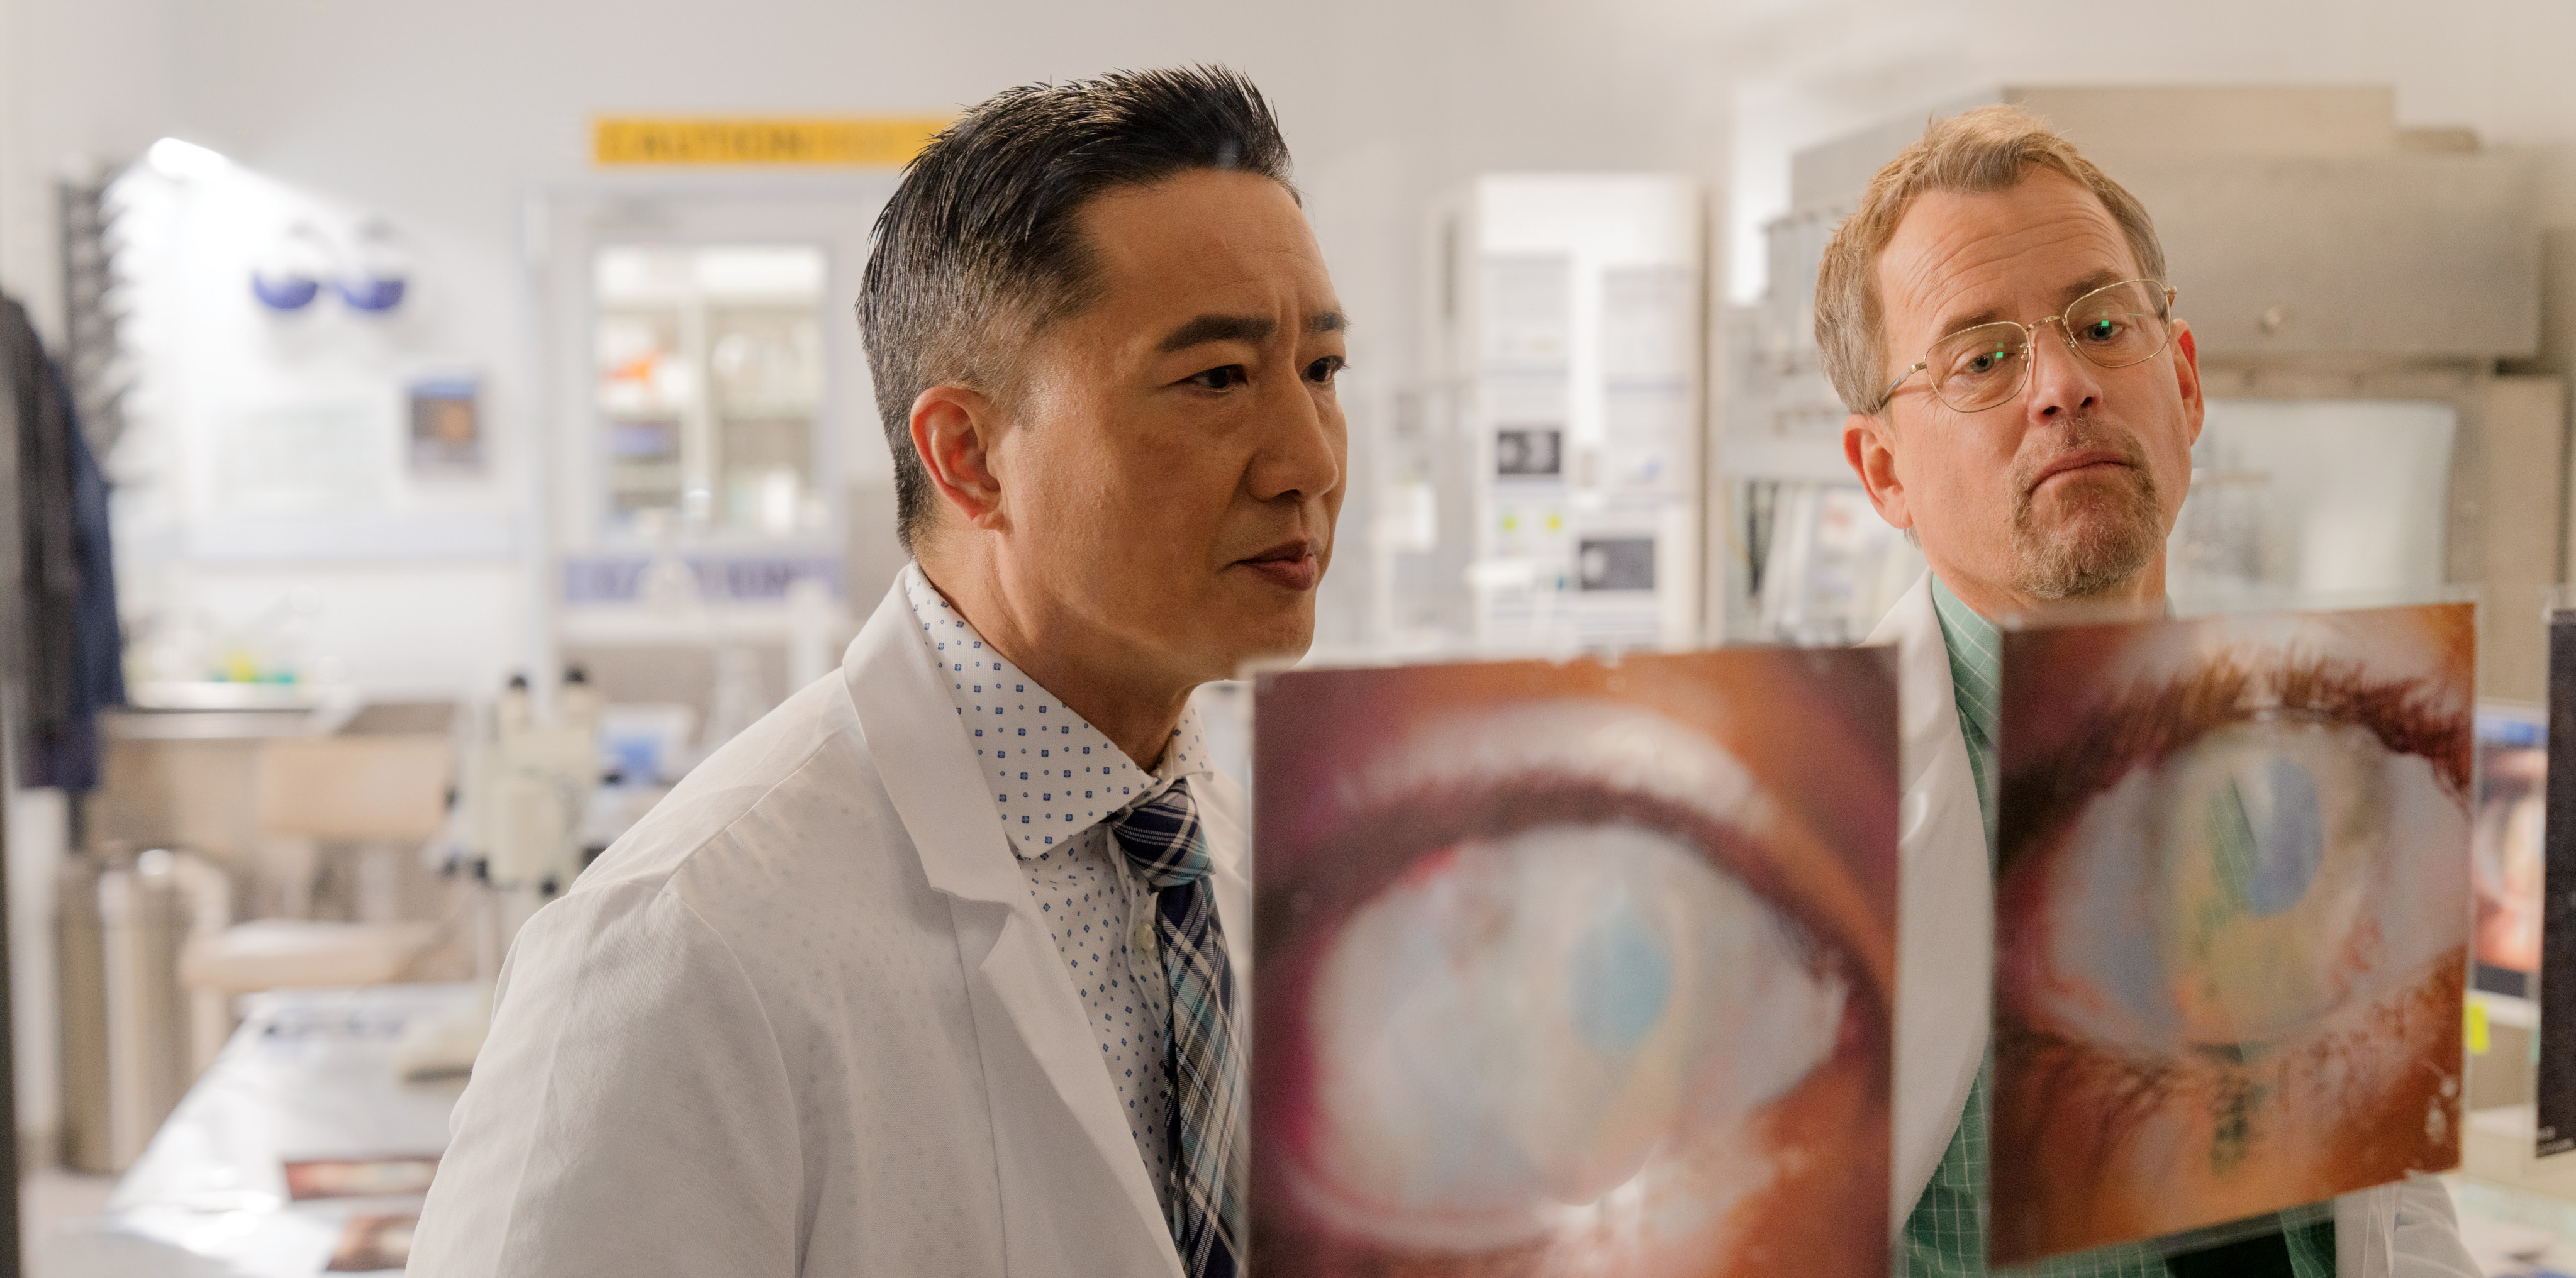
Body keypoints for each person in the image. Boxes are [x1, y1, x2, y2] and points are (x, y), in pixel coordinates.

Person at [410, 65, 1344, 1278]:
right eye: (1216, 379)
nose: (1308, 462)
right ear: (969, 457)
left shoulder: (1242, 858)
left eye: (1321, 372)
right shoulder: (684, 943)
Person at [1825, 104, 2478, 1278]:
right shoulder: (1808, 828)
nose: (2064, 383)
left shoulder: (2336, 747)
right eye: (1981, 357)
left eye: (2101, 322)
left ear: (2180, 381)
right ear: (1883, 472)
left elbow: (2394, 1212)